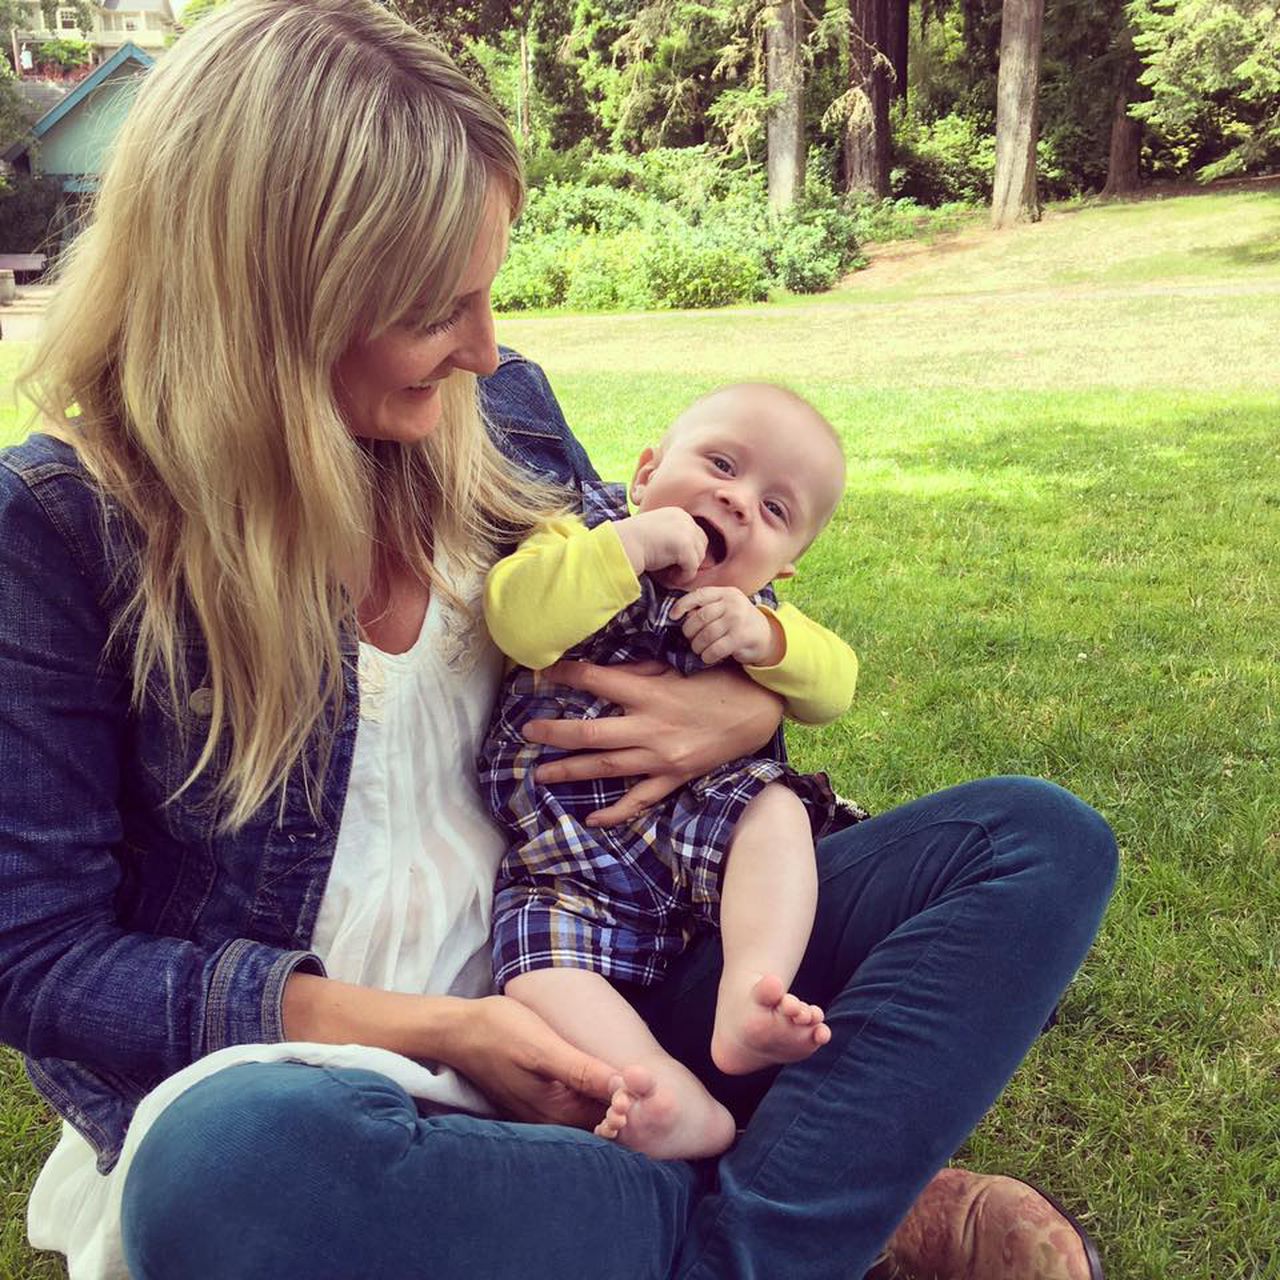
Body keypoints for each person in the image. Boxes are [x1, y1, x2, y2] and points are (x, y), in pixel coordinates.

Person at [0, 3, 1116, 1278]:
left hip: (621, 972)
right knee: (232, 1174)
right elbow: (40, 956)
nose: (485, 347)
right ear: (272, 296)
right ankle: (803, 1207)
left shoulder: (495, 408)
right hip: (339, 1076)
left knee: (1035, 843)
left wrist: (743, 712)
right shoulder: (56, 528)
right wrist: (454, 1029)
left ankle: (712, 1220)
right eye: (437, 307)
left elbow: (657, 628)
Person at [481, 383, 866, 1160]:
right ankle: (659, 1089)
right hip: (566, 862)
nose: (738, 500)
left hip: (701, 828)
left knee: (776, 812)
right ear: (645, 474)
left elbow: (838, 687)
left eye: (776, 511)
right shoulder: (572, 539)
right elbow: (518, 620)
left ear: (784, 568)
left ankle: (748, 996)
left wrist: (767, 638)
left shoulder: (754, 613)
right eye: (721, 463)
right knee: (533, 970)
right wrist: (629, 548)